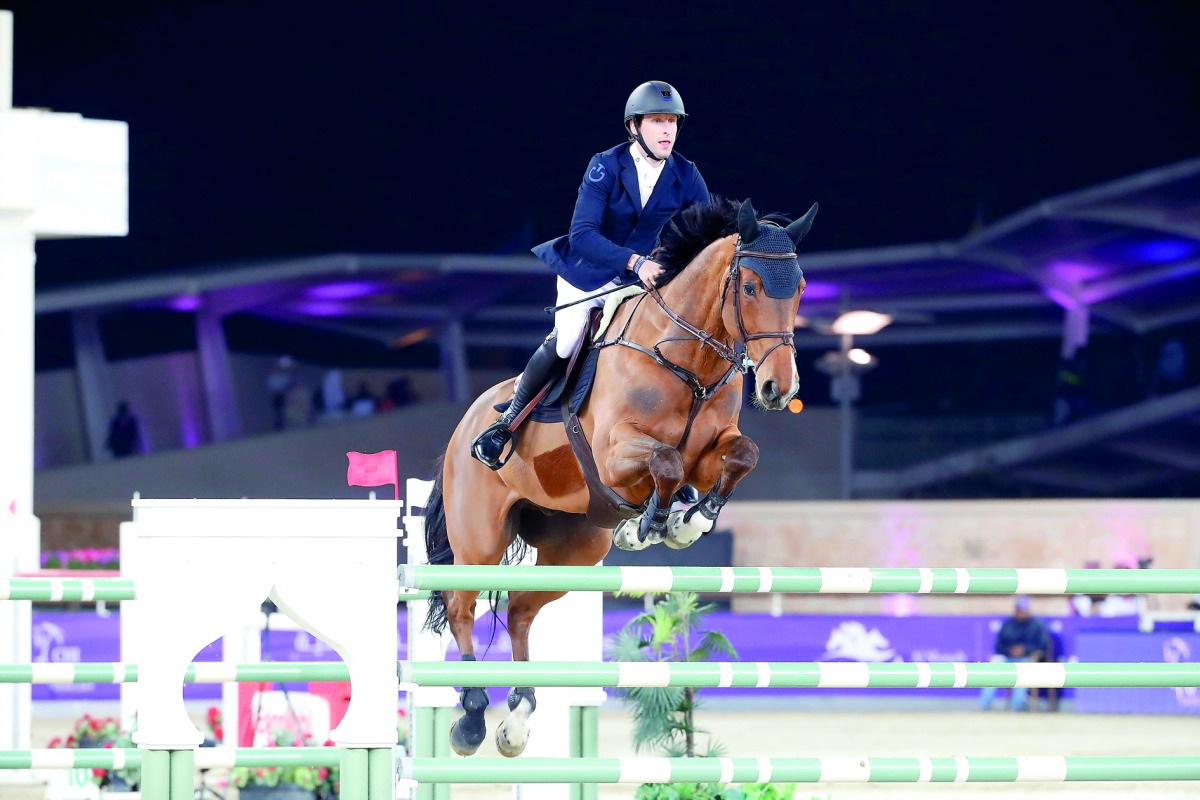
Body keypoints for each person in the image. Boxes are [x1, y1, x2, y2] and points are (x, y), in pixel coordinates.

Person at [471, 80, 711, 468]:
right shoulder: (605, 166)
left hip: (643, 281)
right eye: (657, 121)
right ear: (634, 127)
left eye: (672, 121)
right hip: (591, 273)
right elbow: (583, 235)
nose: (668, 130)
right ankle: (506, 422)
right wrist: (635, 262)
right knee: (568, 339)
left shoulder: (687, 174)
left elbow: (707, 232)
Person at [980, 596, 1051, 711]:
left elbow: (1042, 645)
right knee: (993, 663)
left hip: (1026, 658)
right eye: (1019, 609)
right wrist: (1010, 651)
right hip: (1007, 658)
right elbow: (998, 646)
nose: (1021, 612)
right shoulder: (1008, 624)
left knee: (1023, 669)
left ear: (1028, 610)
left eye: (1023, 609)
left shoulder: (1036, 625)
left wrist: (1025, 650)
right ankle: (984, 706)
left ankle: (1015, 708)